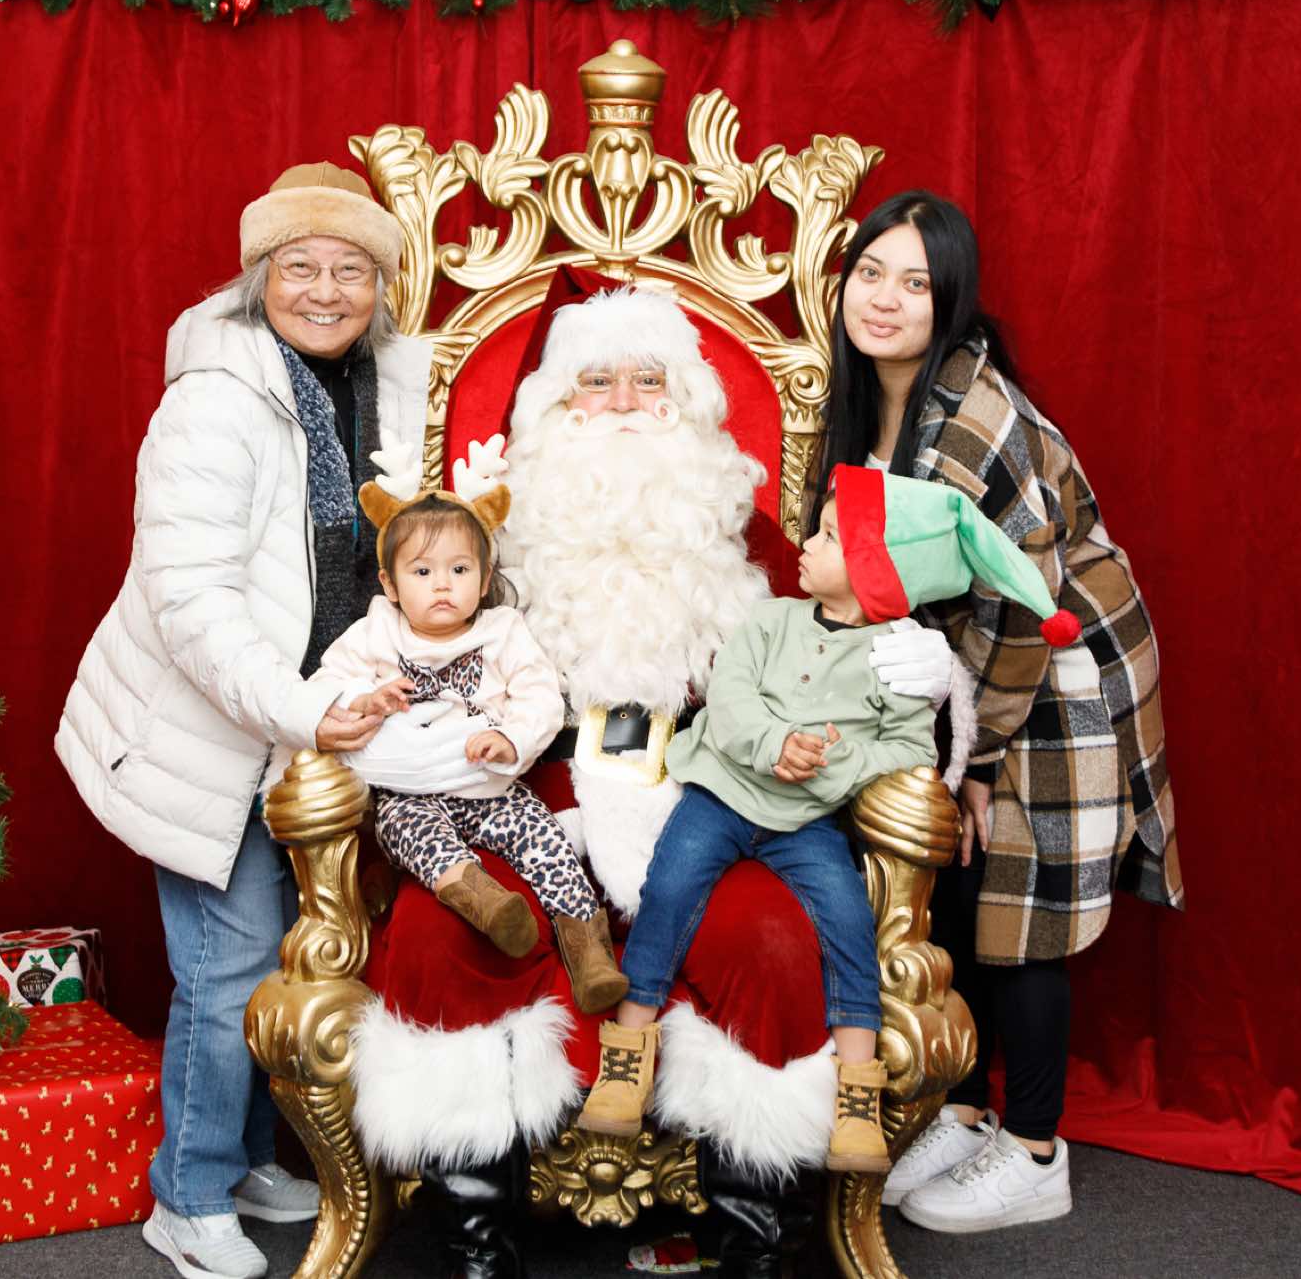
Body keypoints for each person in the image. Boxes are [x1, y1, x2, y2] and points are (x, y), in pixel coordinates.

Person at [343, 279, 954, 1279]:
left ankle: (752, 1240)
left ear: (689, 404)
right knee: (437, 931)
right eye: (596, 382)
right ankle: (476, 1243)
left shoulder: (748, 545)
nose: (624, 404)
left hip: (716, 797)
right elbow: (407, 649)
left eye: (648, 380)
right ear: (554, 405)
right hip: (527, 797)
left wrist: (916, 657)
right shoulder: (490, 546)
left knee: (769, 937)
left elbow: (847, 627)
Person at [53, 162, 438, 1279]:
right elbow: (192, 602)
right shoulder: (213, 399)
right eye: (298, 266)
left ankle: (250, 1155)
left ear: (381, 284)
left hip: (315, 728)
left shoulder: (391, 386)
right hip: (209, 732)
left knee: (296, 954)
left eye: (350, 269)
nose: (325, 290)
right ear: (258, 276)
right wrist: (308, 709)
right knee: (228, 966)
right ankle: (188, 1192)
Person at [809, 191, 1183, 1234]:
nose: (884, 299)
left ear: (953, 302)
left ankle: (1034, 1148)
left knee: (1020, 909)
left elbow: (1024, 607)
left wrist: (976, 763)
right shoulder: (869, 399)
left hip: (1052, 670)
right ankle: (967, 1111)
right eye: (870, 273)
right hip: (964, 670)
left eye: (915, 283)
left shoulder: (977, 422)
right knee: (962, 889)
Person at [575, 465, 1077, 1177]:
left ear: (875, 572)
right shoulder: (770, 620)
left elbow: (910, 748)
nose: (806, 544)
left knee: (846, 919)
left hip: (805, 818)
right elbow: (731, 698)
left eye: (831, 537)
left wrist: (837, 761)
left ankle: (857, 1095)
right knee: (670, 886)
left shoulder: (891, 659)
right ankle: (628, 1054)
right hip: (721, 793)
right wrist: (776, 742)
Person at [309, 437, 627, 1012]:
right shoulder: (376, 632)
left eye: (459, 570)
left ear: (483, 580)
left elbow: (540, 698)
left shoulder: (502, 632)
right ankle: (480, 897)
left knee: (547, 841)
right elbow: (325, 687)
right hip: (411, 792)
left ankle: (588, 950)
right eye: (422, 571)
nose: (441, 585)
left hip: (488, 786)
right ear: (389, 584)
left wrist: (509, 739)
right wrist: (367, 698)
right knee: (406, 831)